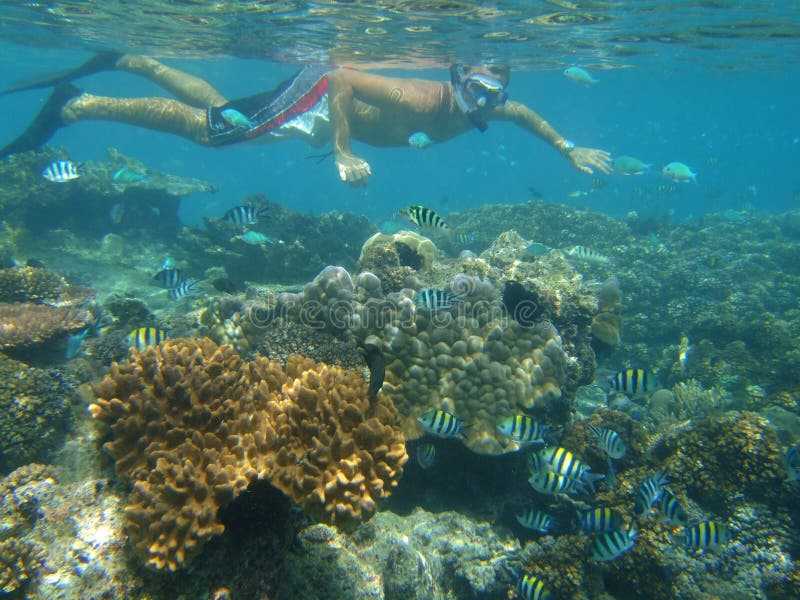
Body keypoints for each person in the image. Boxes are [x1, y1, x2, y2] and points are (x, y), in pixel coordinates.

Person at [0, 54, 612, 185]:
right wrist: (343, 151)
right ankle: (78, 106)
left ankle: (130, 60)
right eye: (477, 88)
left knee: (221, 110)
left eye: (494, 93)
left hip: (325, 112)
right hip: (321, 96)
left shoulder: (491, 112)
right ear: (458, 81)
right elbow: (341, 78)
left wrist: (567, 148)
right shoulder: (429, 103)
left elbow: (527, 115)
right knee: (213, 133)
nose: (486, 102)